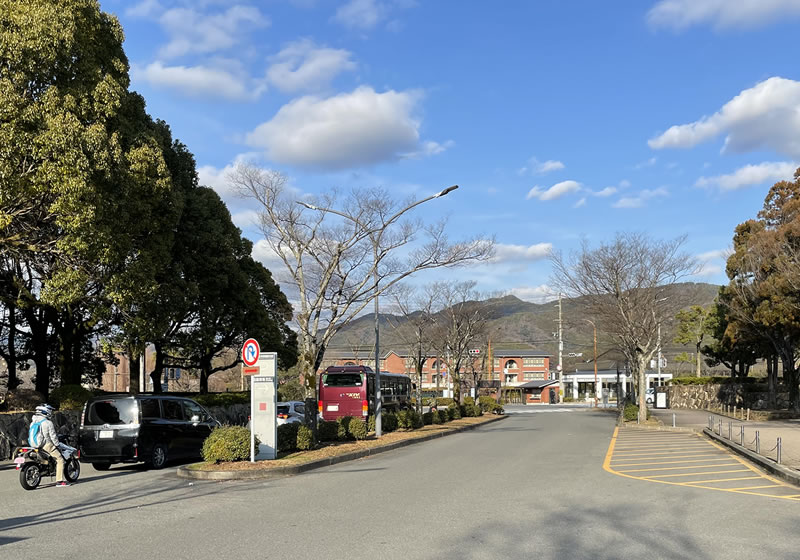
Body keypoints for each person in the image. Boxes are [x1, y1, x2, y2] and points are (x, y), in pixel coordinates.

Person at [29, 404, 69, 487]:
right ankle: (59, 481)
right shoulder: (47, 422)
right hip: (46, 445)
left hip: (34, 445)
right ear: (46, 411)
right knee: (60, 459)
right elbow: (53, 436)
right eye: (49, 410)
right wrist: (57, 445)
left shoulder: (33, 422)